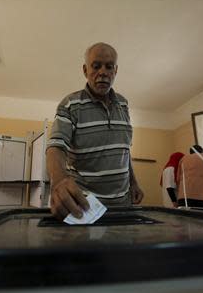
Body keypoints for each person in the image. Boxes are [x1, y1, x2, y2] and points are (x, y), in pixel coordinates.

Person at [46, 42, 144, 220]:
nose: (103, 72)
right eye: (96, 66)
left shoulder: (123, 104)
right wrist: (59, 181)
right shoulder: (70, 104)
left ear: (115, 71)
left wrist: (134, 182)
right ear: (85, 70)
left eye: (109, 66)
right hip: (86, 209)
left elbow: (124, 149)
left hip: (124, 207)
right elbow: (56, 146)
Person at [175, 145, 203, 211]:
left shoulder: (183, 159)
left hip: (184, 199)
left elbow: (178, 180)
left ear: (190, 153)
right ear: (202, 152)